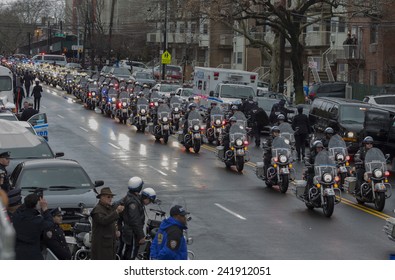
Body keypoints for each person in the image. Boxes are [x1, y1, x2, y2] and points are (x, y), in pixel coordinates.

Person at [117, 177, 156, 260]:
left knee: (127, 252)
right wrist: (141, 236)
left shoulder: (130, 197)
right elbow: (135, 221)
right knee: (130, 255)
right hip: (132, 234)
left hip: (128, 231)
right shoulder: (133, 202)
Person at [12, 193, 54, 260]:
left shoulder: (17, 216)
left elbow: (22, 208)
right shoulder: (37, 221)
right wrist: (45, 209)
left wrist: (30, 200)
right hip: (33, 254)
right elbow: (50, 223)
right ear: (37, 205)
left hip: (17, 254)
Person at [90, 187, 124, 260]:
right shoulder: (97, 210)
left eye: (111, 197)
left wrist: (115, 231)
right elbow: (104, 221)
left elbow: (111, 222)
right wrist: (117, 212)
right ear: (102, 197)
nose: (110, 199)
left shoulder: (108, 208)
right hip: (101, 246)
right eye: (108, 197)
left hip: (109, 245)